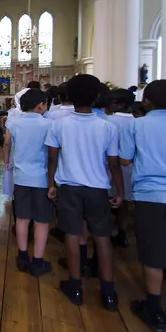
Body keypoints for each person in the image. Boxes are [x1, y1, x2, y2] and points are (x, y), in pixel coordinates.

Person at [120, 79, 166, 332]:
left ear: (146, 101)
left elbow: (125, 159)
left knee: (153, 253)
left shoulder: (138, 125)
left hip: (150, 196)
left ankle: (154, 308)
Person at [45, 74, 123, 311]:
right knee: (102, 237)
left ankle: (76, 285)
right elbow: (113, 164)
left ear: (68, 96)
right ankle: (108, 293)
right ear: (98, 97)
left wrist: (51, 184)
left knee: (73, 234)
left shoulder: (58, 125)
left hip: (69, 186)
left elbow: (52, 158)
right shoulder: (107, 127)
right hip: (98, 187)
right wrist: (120, 191)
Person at [4, 89, 53, 277]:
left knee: (22, 218)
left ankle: (23, 256)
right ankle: (38, 261)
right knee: (41, 221)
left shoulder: (13, 123)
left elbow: (7, 143)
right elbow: (52, 152)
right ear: (40, 105)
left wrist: (7, 161)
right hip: (42, 178)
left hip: (21, 177)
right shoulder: (49, 124)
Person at [105, 88, 136, 248]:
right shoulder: (136, 121)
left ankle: (105, 233)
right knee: (123, 202)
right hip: (129, 169)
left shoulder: (108, 122)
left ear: (119, 105)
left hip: (109, 167)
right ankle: (123, 233)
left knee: (107, 201)